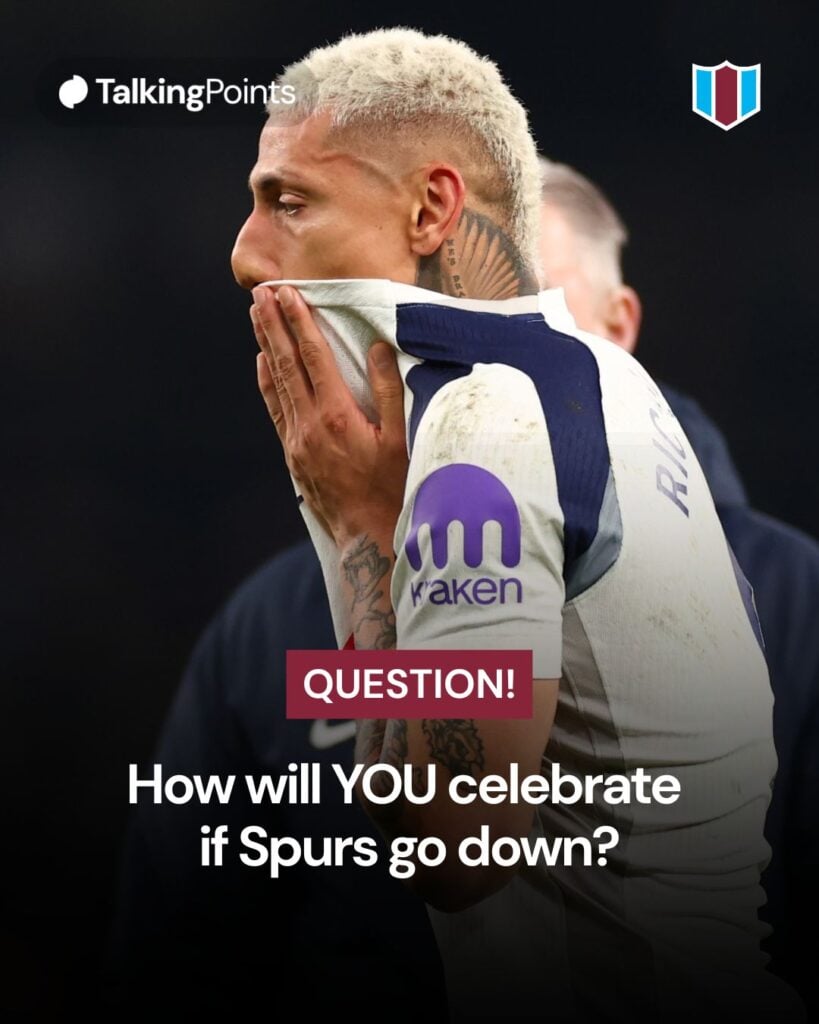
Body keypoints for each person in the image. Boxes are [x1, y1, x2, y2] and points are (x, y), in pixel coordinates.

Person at [237, 28, 801, 1022]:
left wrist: (360, 527)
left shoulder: (486, 422)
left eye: (290, 202)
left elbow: (452, 846)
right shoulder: (609, 380)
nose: (246, 254)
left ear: (430, 209)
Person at [536, 158, 819, 1016]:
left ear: (618, 323)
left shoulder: (793, 598)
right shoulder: (287, 612)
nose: (488, 352)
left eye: (533, 309)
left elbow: (449, 849)